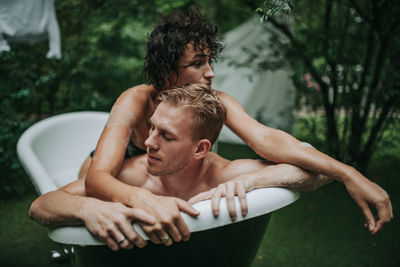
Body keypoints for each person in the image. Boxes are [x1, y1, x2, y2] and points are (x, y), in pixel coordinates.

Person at [79, 6, 392, 238]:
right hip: (119, 173)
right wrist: (141, 200)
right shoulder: (134, 99)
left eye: (210, 61)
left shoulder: (216, 100)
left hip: (173, 178)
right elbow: (96, 179)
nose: (211, 71)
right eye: (197, 63)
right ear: (165, 71)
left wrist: (349, 174)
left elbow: (266, 140)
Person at [29, 84, 333, 251]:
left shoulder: (225, 175)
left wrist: (256, 180)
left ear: (201, 148)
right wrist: (88, 210)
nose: (148, 142)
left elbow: (317, 171)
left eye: (166, 136)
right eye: (151, 128)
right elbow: (42, 206)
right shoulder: (133, 174)